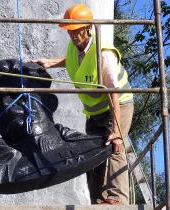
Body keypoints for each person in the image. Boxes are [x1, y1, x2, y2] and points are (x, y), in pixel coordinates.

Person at [32, 4, 134, 205]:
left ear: (88, 28)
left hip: (118, 105)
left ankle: (118, 200)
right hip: (95, 112)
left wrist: (116, 129)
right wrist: (51, 63)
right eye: (69, 30)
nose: (72, 34)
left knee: (115, 146)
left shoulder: (103, 53)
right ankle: (98, 202)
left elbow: (114, 91)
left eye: (76, 29)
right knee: (91, 154)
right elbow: (73, 60)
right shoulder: (74, 47)